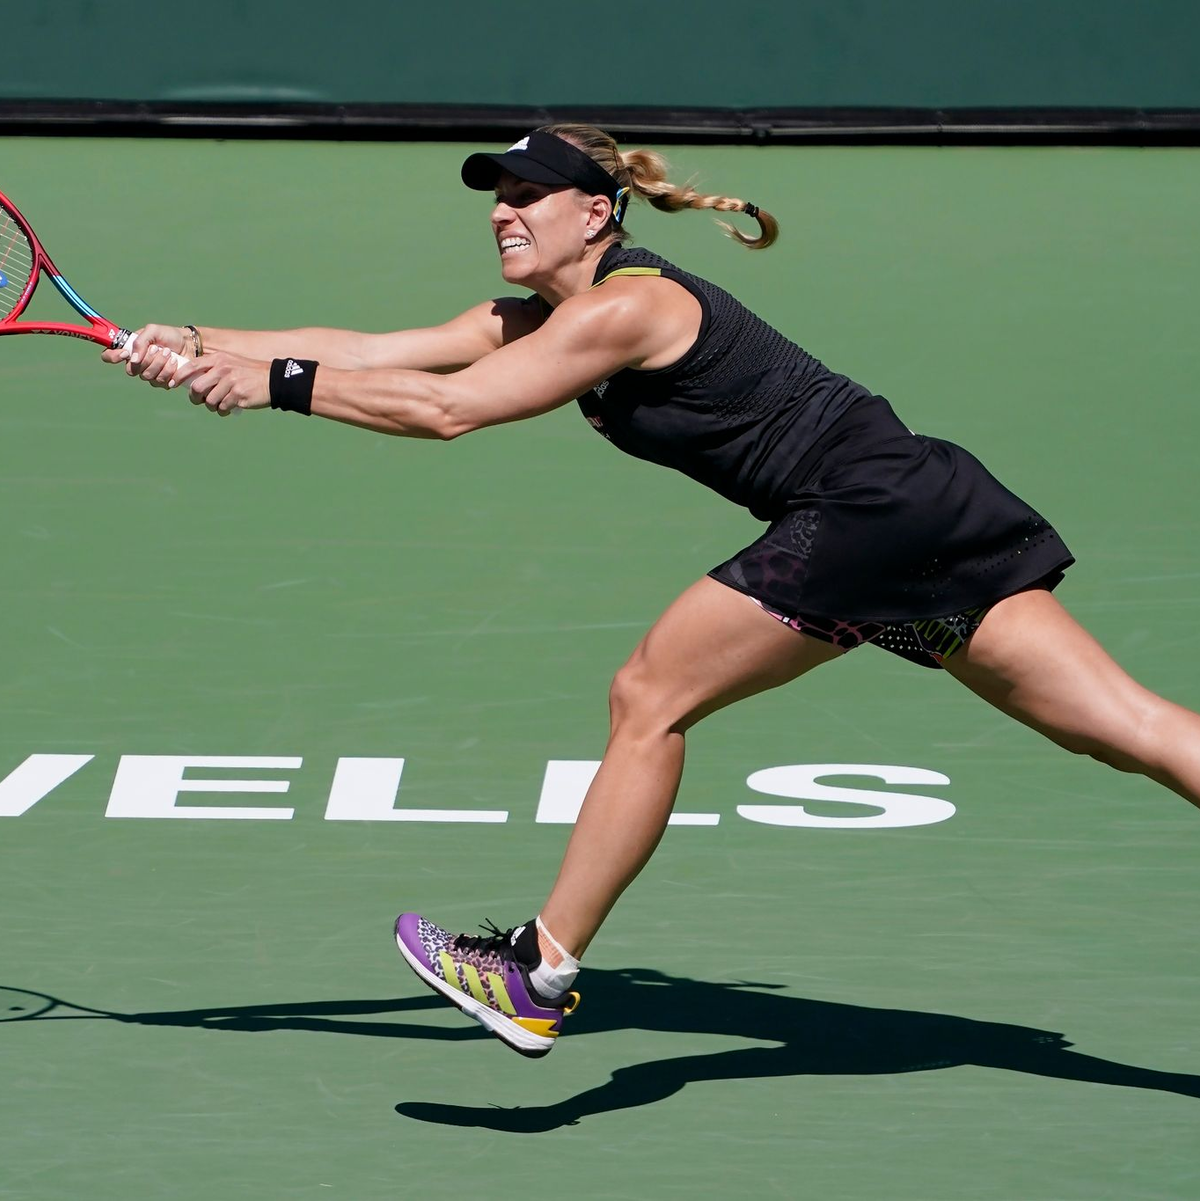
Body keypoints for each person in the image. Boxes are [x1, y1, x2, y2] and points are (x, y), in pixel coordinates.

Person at [105, 125, 1200, 1060]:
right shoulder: (539, 318)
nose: (505, 213)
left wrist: (274, 389)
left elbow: (450, 411)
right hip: (918, 510)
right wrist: (204, 341)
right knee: (1129, 729)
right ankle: (536, 968)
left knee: (650, 697)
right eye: (498, 196)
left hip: (864, 513)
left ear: (600, 212)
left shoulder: (631, 307)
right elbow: (379, 351)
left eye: (530, 195)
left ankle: (536, 973)